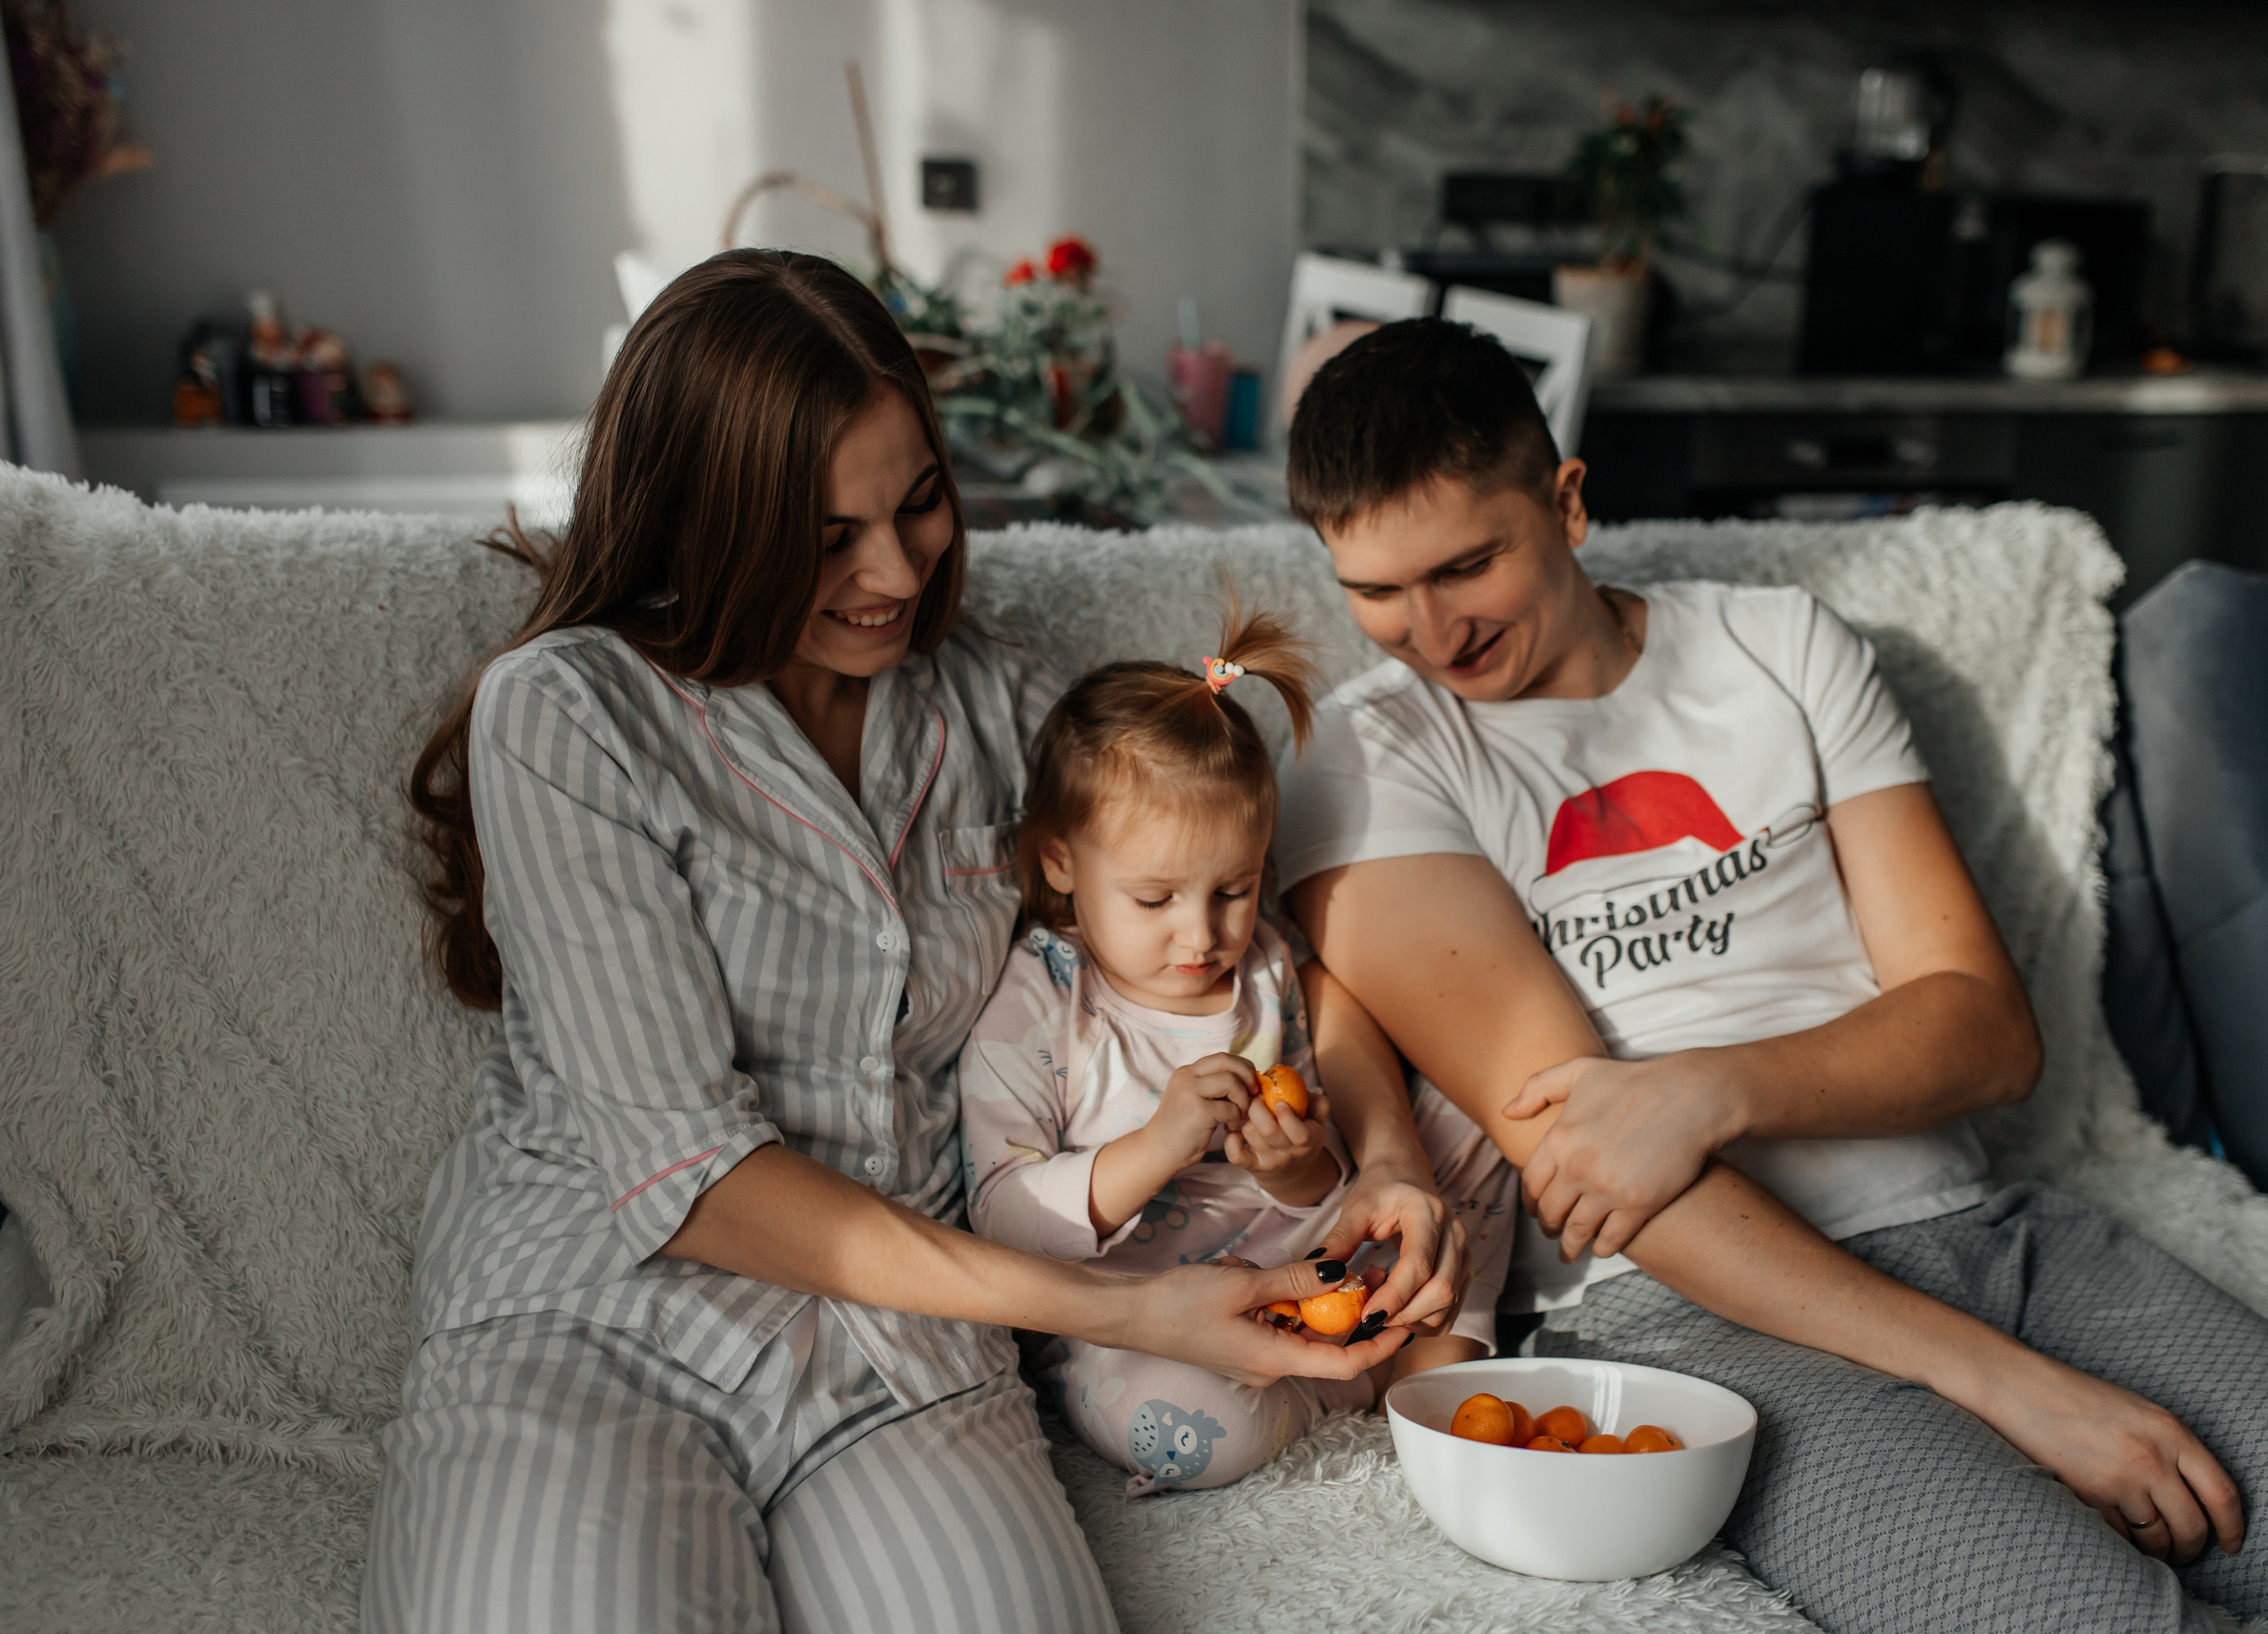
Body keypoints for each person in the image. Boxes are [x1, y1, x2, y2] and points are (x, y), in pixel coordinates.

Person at [1275, 318, 2268, 1634]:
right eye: (1374, 590)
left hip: (1992, 1237)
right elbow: (1594, 1165)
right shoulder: (1367, 763)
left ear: (1569, 500)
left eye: (1467, 564)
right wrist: (2016, 1389)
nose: (1428, 631)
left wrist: (1709, 1090)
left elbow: (1988, 1031)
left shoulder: (1780, 645)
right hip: (1693, 1317)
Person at [363, 253, 1466, 1634]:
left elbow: (1277, 964)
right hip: (595, 1316)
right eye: (829, 537)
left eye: (919, 502)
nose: (893, 571)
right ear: (704, 522)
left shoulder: (993, 715)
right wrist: (1137, 1311)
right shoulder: (570, 715)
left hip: (903, 1353)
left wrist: (1387, 1157)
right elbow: (693, 1179)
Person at [958, 606, 1514, 1497]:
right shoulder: (1042, 1003)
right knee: (1182, 1425)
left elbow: (1323, 1178)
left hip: (1306, 1253)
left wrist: (1298, 1168)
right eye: (1154, 898)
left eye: (1234, 888)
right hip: (1140, 1315)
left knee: (1476, 1111)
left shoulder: (1265, 965)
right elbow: (1000, 1215)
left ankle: (1428, 1345)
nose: (1202, 933)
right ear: (1061, 862)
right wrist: (1154, 1147)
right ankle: (1353, 1380)